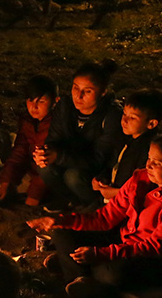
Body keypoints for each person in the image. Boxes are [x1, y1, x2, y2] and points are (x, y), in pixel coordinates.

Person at [27, 132, 162, 298]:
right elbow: (105, 218)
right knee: (62, 231)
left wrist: (102, 253)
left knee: (110, 272)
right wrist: (60, 220)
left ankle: (78, 269)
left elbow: (155, 247)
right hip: (127, 242)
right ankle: (81, 278)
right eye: (149, 158)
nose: (149, 165)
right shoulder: (141, 179)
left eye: (158, 163)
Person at [34, 59, 123, 207]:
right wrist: (46, 152)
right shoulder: (65, 106)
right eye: (75, 88)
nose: (78, 96)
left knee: (73, 176)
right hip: (70, 159)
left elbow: (98, 159)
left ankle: (93, 205)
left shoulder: (112, 115)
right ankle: (72, 202)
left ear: (103, 92)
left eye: (87, 91)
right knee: (45, 167)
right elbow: (54, 138)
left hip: (97, 172)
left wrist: (59, 156)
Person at [0, 74, 58, 207]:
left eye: (41, 101)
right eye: (30, 100)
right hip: (30, 172)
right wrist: (5, 181)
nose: (34, 107)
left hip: (50, 179)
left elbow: (49, 167)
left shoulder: (58, 125)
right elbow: (19, 150)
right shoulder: (28, 120)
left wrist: (33, 196)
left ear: (55, 102)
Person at [91, 88, 162, 204]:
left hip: (129, 205)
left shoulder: (149, 150)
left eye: (132, 118)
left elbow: (144, 188)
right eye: (124, 114)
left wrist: (117, 192)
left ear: (151, 123)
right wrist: (102, 178)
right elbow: (114, 164)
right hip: (114, 197)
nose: (124, 120)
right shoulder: (126, 138)